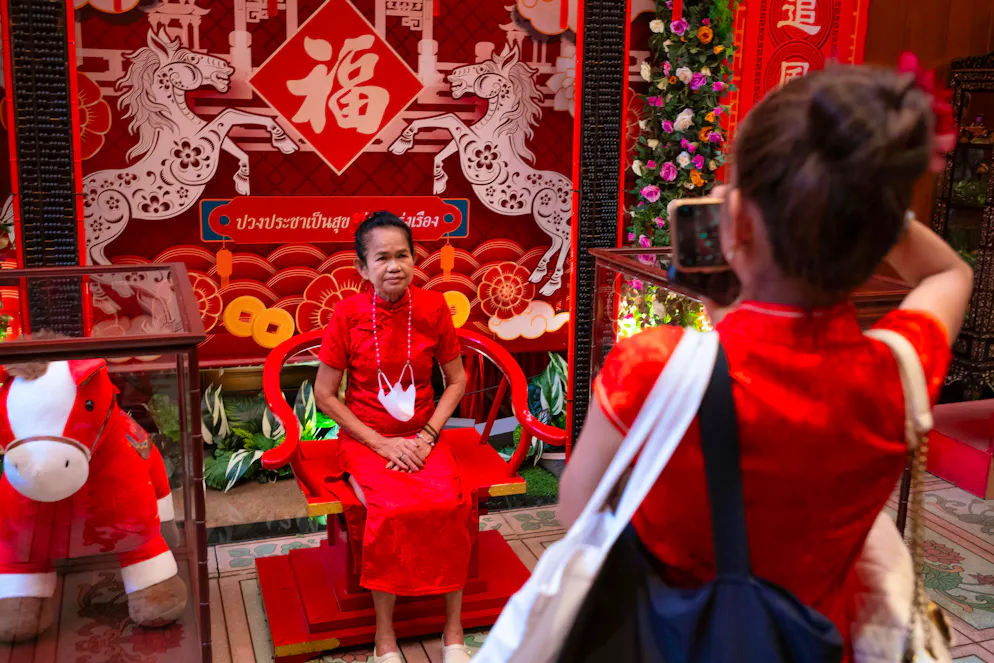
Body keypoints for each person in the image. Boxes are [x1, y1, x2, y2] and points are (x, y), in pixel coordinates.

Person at [560, 64, 973, 662]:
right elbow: (949, 272)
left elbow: (579, 516)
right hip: (816, 644)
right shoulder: (896, 371)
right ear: (874, 231)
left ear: (740, 221)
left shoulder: (655, 365)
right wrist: (865, 204)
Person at [314, 211, 472, 663]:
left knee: (450, 503)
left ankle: (454, 631)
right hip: (367, 440)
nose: (394, 266)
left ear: (414, 258)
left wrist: (426, 436)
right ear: (362, 268)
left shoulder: (434, 308)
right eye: (381, 257)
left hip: (424, 437)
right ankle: (385, 639)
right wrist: (381, 444)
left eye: (402, 254)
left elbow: (456, 381)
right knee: (391, 509)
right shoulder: (347, 315)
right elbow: (325, 395)